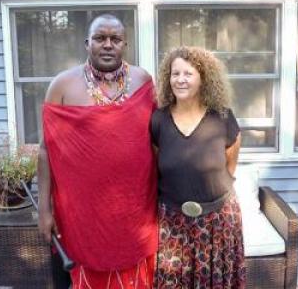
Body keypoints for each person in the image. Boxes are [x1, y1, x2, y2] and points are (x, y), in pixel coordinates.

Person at [38, 14, 157, 289]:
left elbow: (156, 140)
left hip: (135, 210)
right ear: (86, 43)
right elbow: (46, 151)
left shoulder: (143, 80)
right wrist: (43, 210)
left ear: (124, 44)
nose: (107, 45)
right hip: (82, 215)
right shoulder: (62, 85)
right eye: (99, 38)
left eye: (115, 39)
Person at [151, 46, 246, 288]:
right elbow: (157, 164)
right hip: (172, 223)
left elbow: (230, 163)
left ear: (203, 78)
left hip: (217, 221)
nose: (180, 80)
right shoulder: (158, 120)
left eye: (188, 74)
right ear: (167, 78)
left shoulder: (222, 117)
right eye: (175, 74)